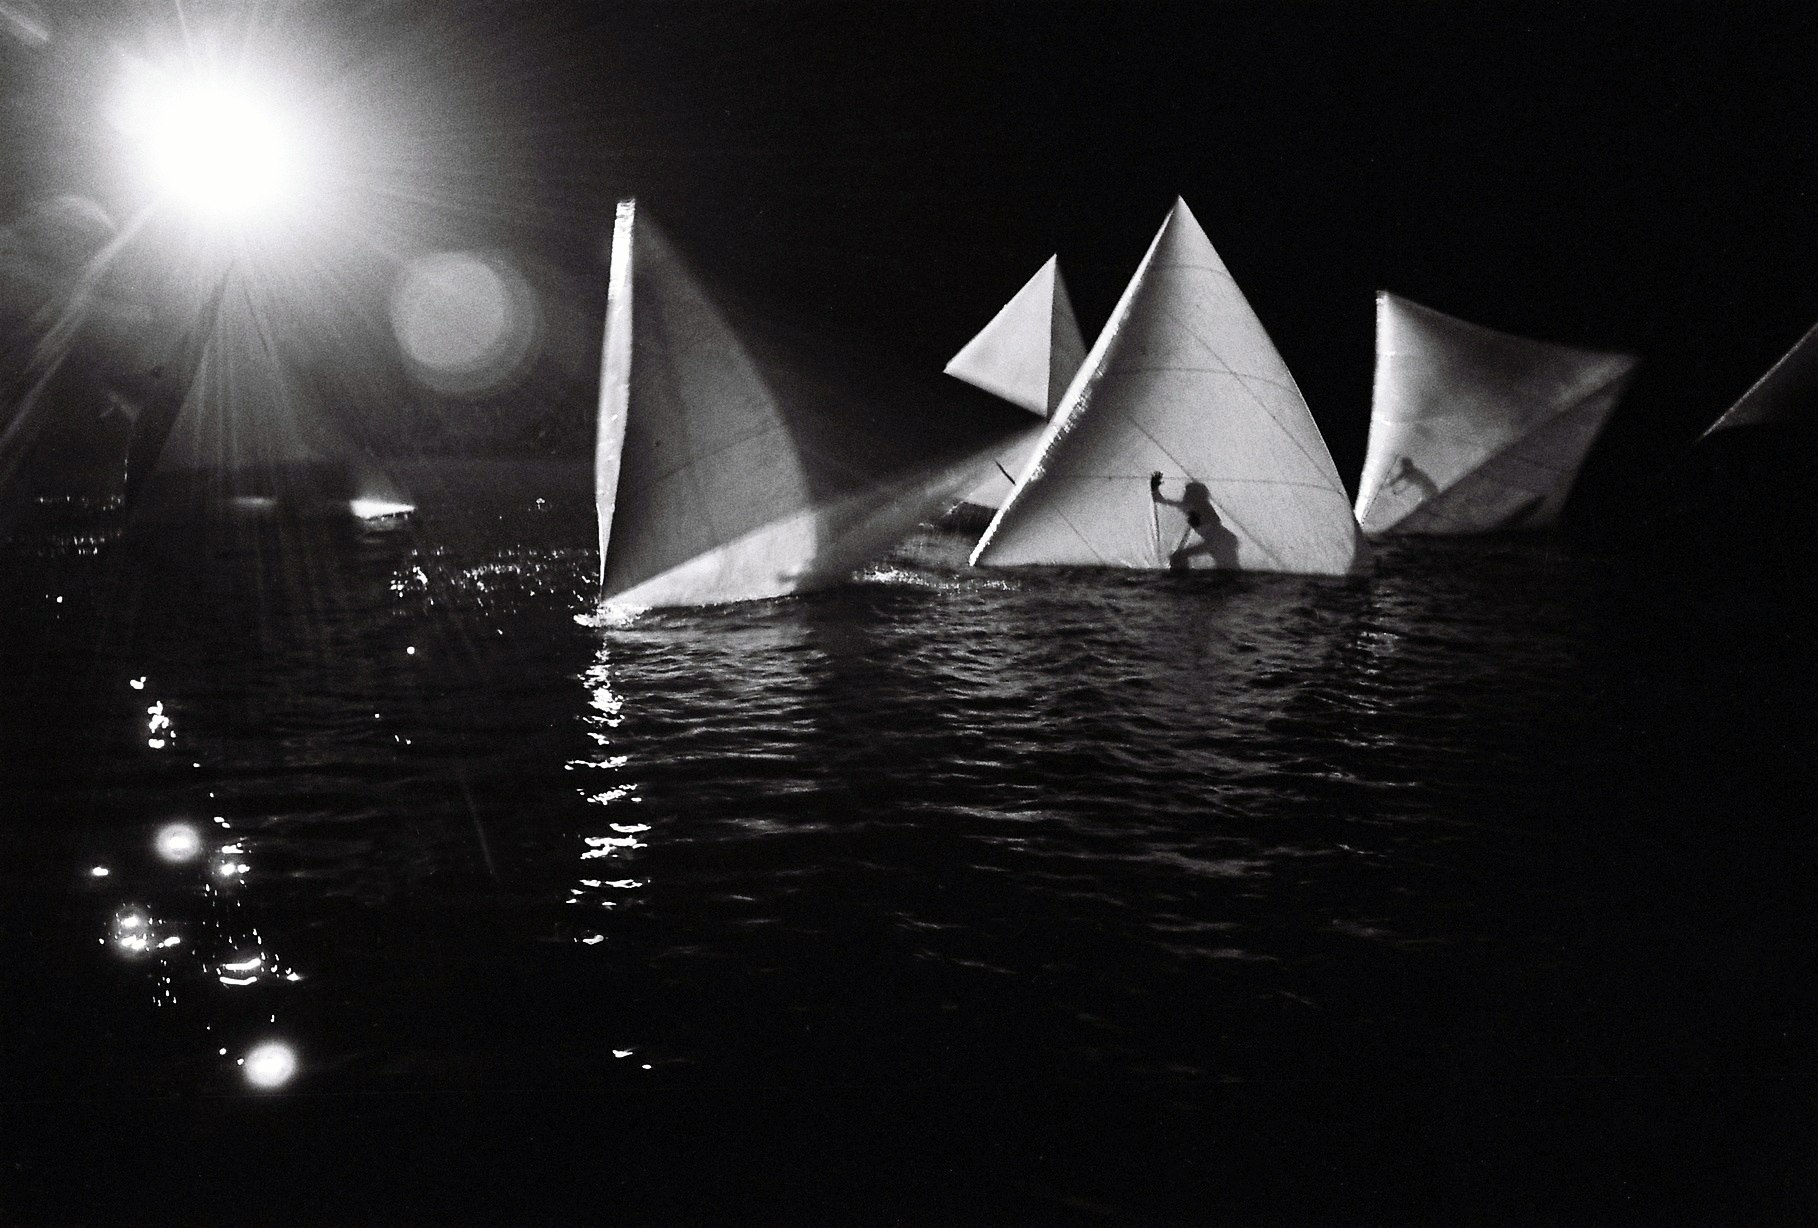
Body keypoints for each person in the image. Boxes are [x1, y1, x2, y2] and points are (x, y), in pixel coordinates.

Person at [1150, 471, 1240, 569]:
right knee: (1227, 567)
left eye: (1187, 492)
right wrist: (1154, 487)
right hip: (1221, 541)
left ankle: (1182, 576)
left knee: (1227, 567)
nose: (1184, 494)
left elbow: (1214, 526)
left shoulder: (1202, 507)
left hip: (1221, 541)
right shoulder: (1190, 506)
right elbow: (1159, 499)